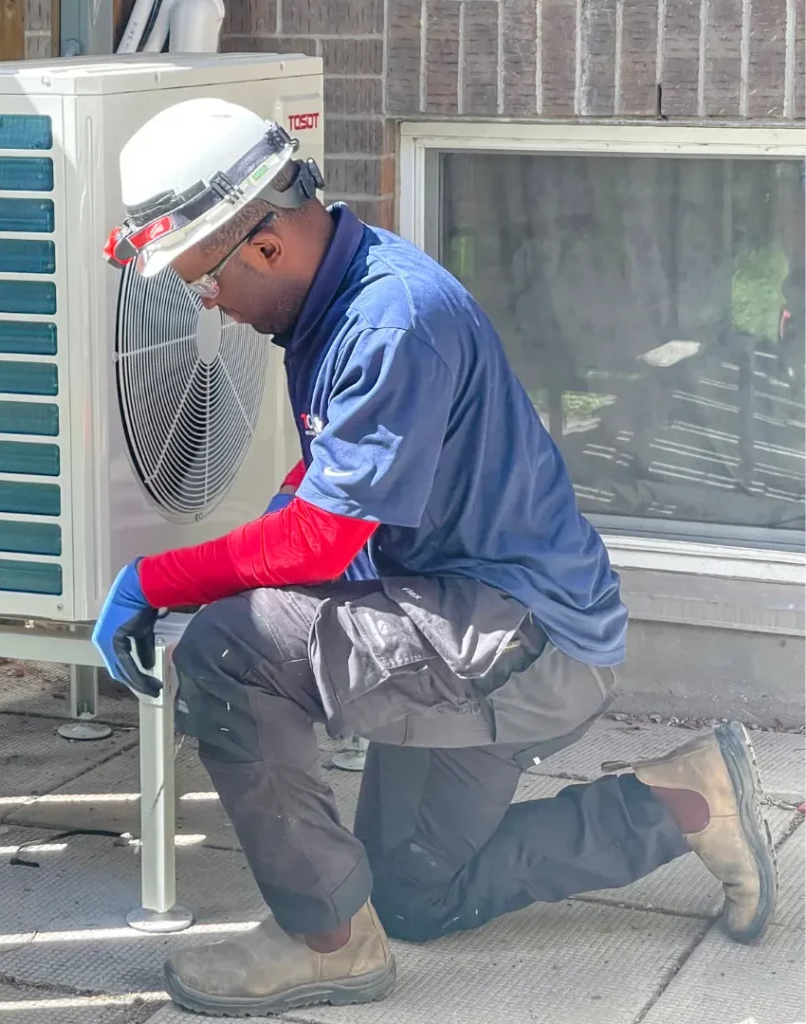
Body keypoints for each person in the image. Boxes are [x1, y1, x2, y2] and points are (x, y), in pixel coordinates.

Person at [93, 98, 777, 1018]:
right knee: (413, 894)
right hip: (504, 629)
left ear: (261, 246)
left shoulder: (390, 322)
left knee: (231, 646)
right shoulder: (343, 297)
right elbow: (333, 479)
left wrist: (155, 580)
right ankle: (685, 800)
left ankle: (321, 941)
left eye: (199, 279)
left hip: (519, 643)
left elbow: (322, 541)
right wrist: (256, 544)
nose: (204, 303)